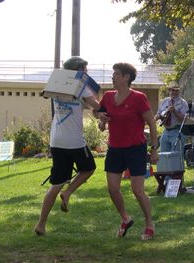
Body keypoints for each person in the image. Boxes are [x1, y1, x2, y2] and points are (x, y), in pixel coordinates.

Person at [34, 56, 101, 236]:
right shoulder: (81, 85)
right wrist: (102, 108)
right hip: (74, 141)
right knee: (89, 168)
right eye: (85, 69)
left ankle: (41, 224)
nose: (86, 73)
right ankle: (68, 192)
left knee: (55, 183)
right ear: (78, 69)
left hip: (56, 141)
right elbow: (97, 106)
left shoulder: (56, 85)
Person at [96, 62, 159, 240]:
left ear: (126, 77)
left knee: (137, 190)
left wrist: (154, 149)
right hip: (115, 149)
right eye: (113, 74)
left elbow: (152, 123)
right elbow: (101, 124)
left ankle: (149, 224)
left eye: (116, 74)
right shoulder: (107, 97)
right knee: (112, 188)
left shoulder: (139, 98)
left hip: (135, 149)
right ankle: (125, 218)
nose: (113, 77)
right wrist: (102, 119)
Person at [155, 81, 189, 157]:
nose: (173, 92)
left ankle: (177, 169)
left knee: (176, 157)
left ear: (178, 91)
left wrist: (175, 112)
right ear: (169, 91)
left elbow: (184, 120)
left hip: (177, 131)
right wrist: (158, 117)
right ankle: (165, 169)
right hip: (166, 131)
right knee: (163, 155)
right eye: (172, 90)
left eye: (176, 90)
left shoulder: (183, 103)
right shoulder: (164, 101)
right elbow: (158, 114)